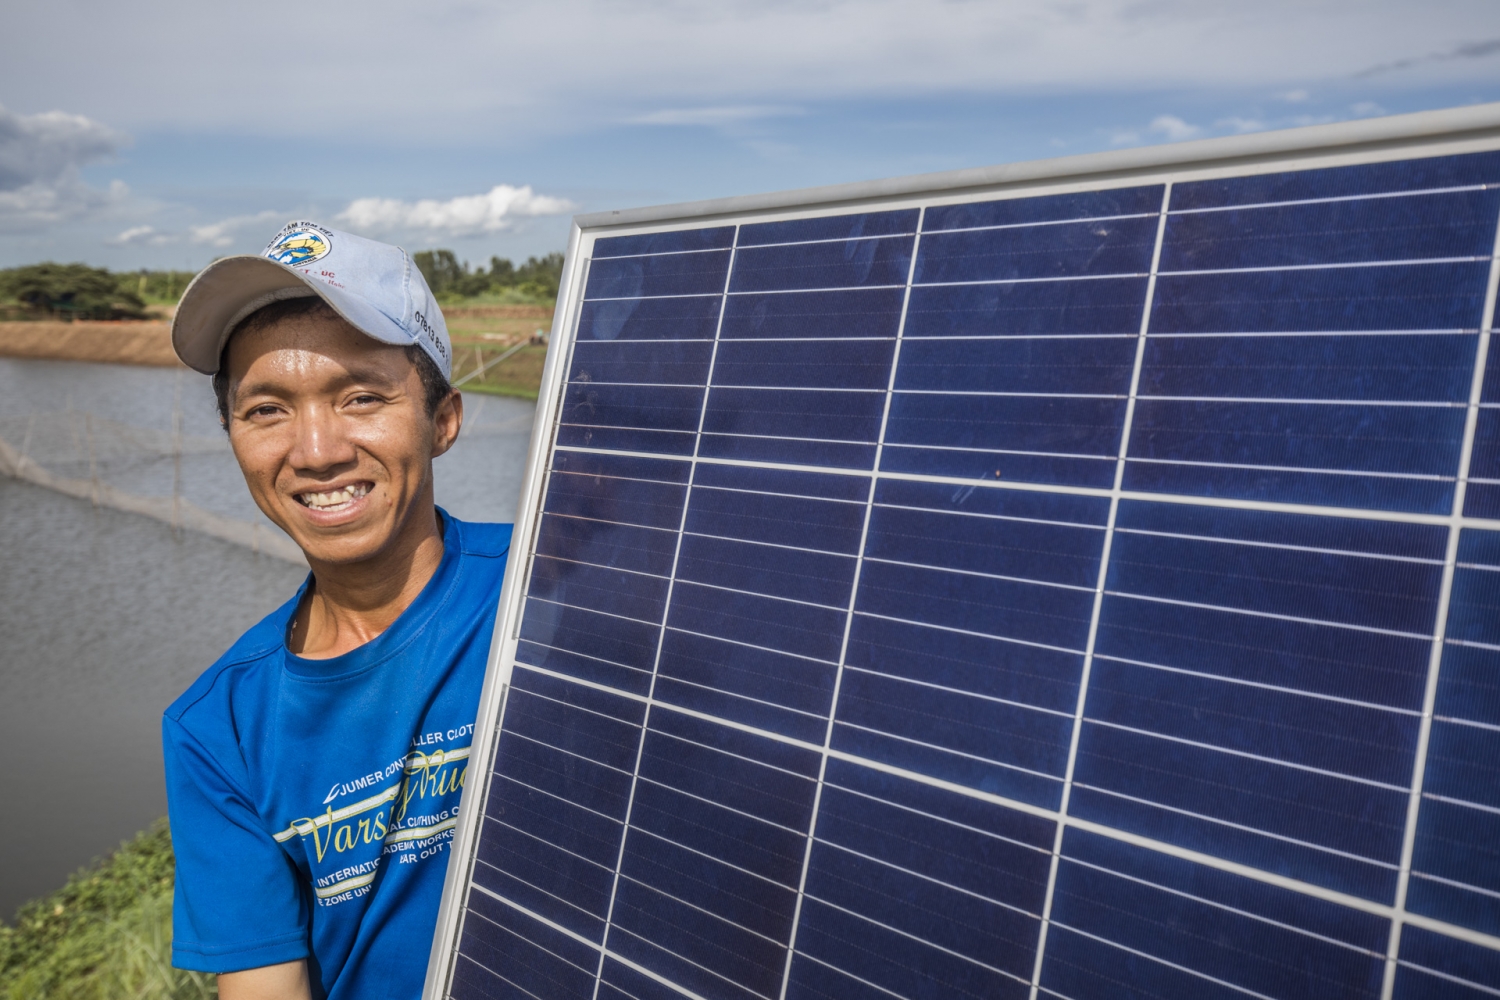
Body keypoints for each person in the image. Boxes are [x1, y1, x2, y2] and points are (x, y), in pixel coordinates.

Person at [162, 221, 512, 1000]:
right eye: (266, 410)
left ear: (443, 419)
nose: (316, 450)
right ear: (233, 438)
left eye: (361, 396)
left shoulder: (554, 588)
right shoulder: (217, 729)